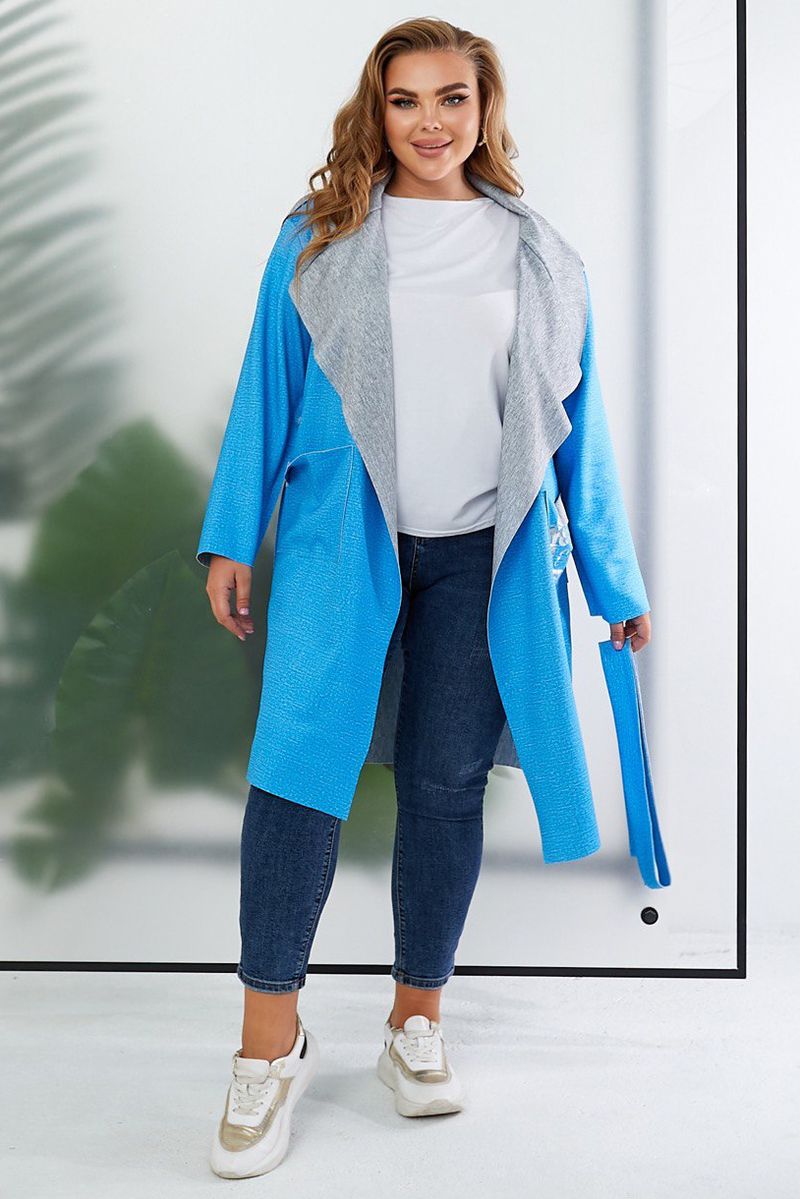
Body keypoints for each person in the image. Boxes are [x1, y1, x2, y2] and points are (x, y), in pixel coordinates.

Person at [200, 17, 652, 1180]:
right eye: (405, 100)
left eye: (452, 97)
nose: (430, 122)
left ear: (484, 108)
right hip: (338, 543)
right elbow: (265, 387)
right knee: (296, 773)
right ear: (378, 110)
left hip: (482, 559)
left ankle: (415, 1019)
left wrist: (614, 580)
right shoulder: (319, 236)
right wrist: (229, 537)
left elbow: (577, 431)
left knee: (446, 783)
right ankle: (267, 1041)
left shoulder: (540, 254)